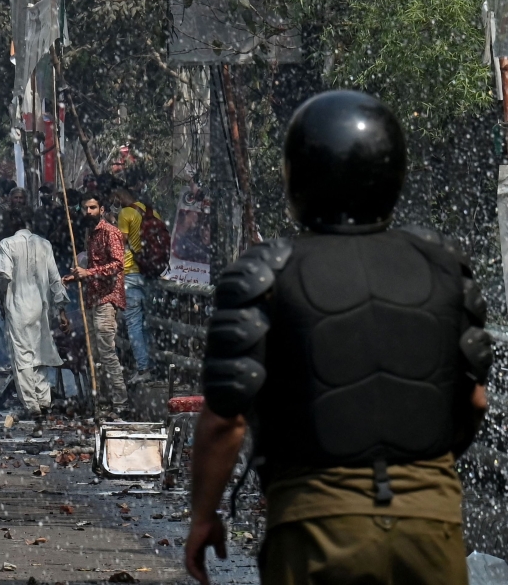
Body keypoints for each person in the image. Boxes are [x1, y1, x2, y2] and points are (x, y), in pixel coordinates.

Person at [185, 91, 491, 585]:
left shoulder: (266, 273)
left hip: (315, 519)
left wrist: (203, 517)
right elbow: (475, 401)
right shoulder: (446, 267)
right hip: (431, 524)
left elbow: (225, 420)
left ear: (298, 177)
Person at [0, 206, 69, 430]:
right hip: (40, 307)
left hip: (18, 308)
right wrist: (62, 309)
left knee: (22, 357)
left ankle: (33, 406)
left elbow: (4, 276)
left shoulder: (6, 244)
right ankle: (44, 400)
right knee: (39, 353)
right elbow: (56, 279)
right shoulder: (44, 244)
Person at [63, 193, 128, 418]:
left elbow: (118, 265)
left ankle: (120, 403)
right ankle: (102, 402)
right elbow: (94, 270)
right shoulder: (90, 234)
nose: (88, 212)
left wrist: (88, 272)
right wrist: (77, 277)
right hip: (92, 297)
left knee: (107, 351)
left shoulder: (111, 232)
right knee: (94, 354)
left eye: (92, 208)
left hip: (107, 297)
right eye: (85, 208)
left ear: (101, 209)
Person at [112, 185, 160, 382]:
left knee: (133, 324)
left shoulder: (126, 213)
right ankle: (153, 364)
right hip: (149, 273)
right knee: (148, 322)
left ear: (118, 196)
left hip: (131, 273)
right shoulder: (151, 212)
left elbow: (119, 243)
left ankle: (143, 368)